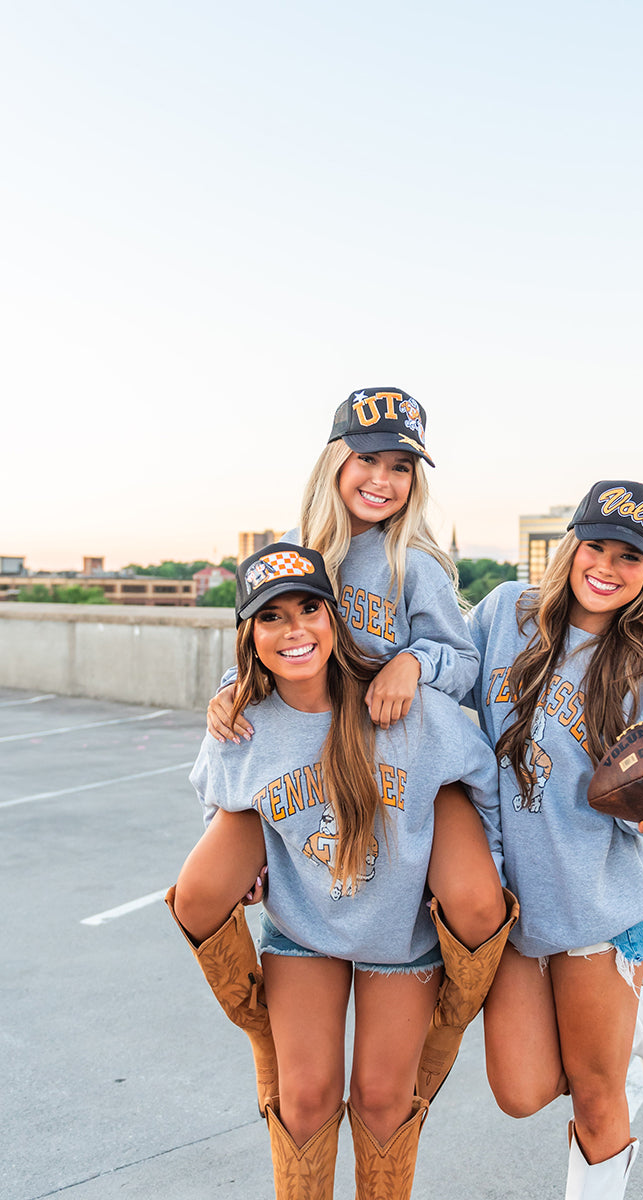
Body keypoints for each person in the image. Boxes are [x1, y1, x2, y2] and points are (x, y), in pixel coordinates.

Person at [203, 388, 516, 1107]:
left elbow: (462, 663)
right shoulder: (296, 549)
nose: (382, 480)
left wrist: (413, 662)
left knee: (473, 901)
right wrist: (230, 688)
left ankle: (437, 1040)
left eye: (401, 467)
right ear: (335, 460)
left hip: (407, 754)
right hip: (314, 758)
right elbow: (270, 639)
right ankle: (267, 1032)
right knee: (213, 886)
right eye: (368, 460)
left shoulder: (418, 564)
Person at [167, 544, 506, 1200]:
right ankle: (263, 1032)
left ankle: (441, 1034)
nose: (294, 629)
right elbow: (216, 799)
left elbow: (482, 779)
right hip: (307, 928)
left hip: (399, 934)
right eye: (271, 618)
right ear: (250, 636)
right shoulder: (241, 723)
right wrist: (251, 872)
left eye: (309, 609)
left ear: (335, 618)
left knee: (381, 1100)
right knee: (305, 1096)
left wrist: (478, 860)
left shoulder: (404, 709)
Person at [466, 480, 643, 1200]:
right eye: (595, 546)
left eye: (628, 557)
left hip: (594, 910)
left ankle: (626, 1010)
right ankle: (642, 1015)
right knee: (521, 1089)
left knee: (599, 1099)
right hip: (511, 910)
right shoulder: (505, 614)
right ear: (570, 547)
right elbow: (442, 683)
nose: (606, 566)